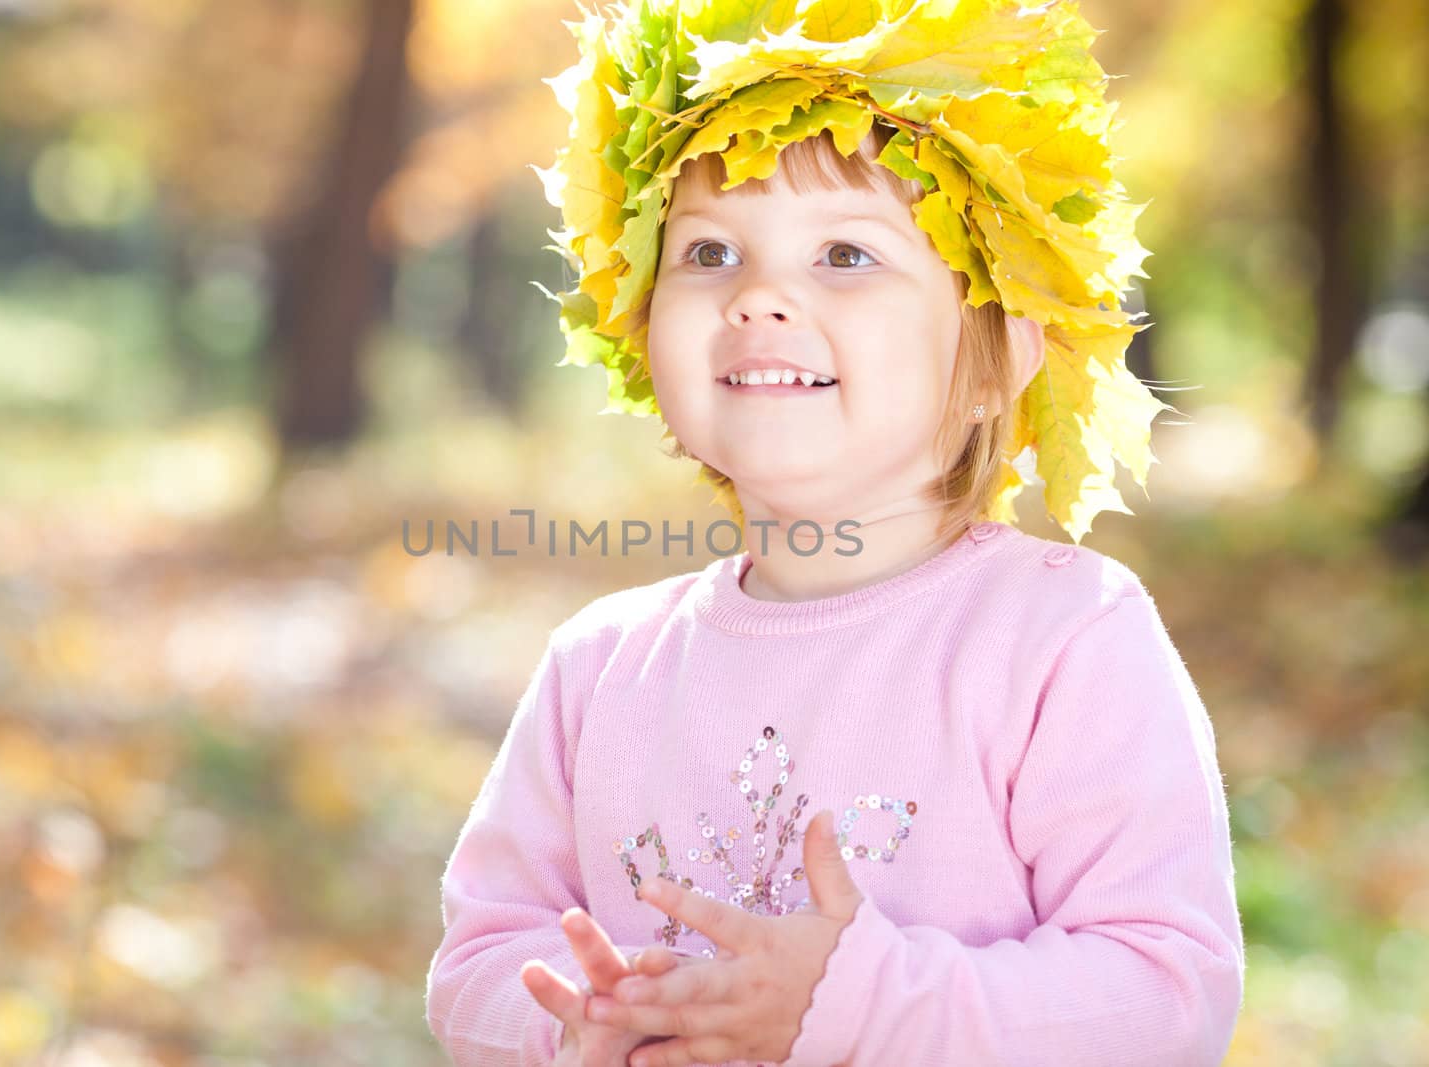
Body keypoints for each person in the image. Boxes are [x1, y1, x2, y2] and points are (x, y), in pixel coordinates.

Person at [425, 2, 1245, 1064]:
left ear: (994, 357)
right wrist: (573, 1020)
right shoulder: (599, 666)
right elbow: (482, 952)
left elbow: (1165, 990)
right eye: (710, 250)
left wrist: (861, 1005)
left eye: (847, 256)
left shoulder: (1061, 638)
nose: (761, 295)